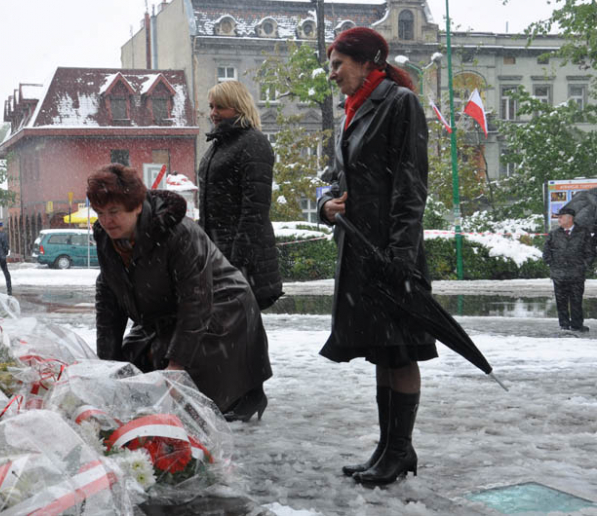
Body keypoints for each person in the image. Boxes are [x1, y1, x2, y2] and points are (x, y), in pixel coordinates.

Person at [316, 27, 436, 486]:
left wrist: (401, 256)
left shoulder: (399, 104)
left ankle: (399, 450)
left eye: (337, 65)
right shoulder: (353, 110)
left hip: (390, 251)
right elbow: (332, 178)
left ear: (367, 62)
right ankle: (389, 448)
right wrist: (328, 204)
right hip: (361, 252)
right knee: (383, 352)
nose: (332, 75)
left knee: (400, 352)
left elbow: (411, 185)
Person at [89, 164, 272, 421]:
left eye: (114, 211)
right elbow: (108, 302)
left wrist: (177, 365)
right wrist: (108, 365)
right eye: (99, 212)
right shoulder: (107, 240)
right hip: (166, 312)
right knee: (132, 363)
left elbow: (195, 302)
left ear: (137, 206)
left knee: (180, 374)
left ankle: (240, 396)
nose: (106, 220)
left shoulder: (179, 233)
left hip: (223, 308)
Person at [198, 80, 283, 310]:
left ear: (238, 107)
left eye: (220, 107)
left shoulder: (252, 143)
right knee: (227, 335)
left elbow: (255, 209)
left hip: (241, 263)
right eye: (211, 106)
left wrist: (236, 263)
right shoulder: (219, 143)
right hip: (219, 257)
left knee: (240, 335)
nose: (213, 113)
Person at [543, 207, 594, 331]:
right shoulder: (554, 234)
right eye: (558, 217)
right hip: (559, 275)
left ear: (569, 218)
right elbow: (546, 252)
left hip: (576, 274)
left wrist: (583, 265)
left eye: (561, 217)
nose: (559, 219)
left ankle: (577, 325)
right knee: (561, 301)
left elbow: (590, 252)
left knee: (576, 301)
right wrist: (553, 266)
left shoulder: (583, 233)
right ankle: (564, 325)